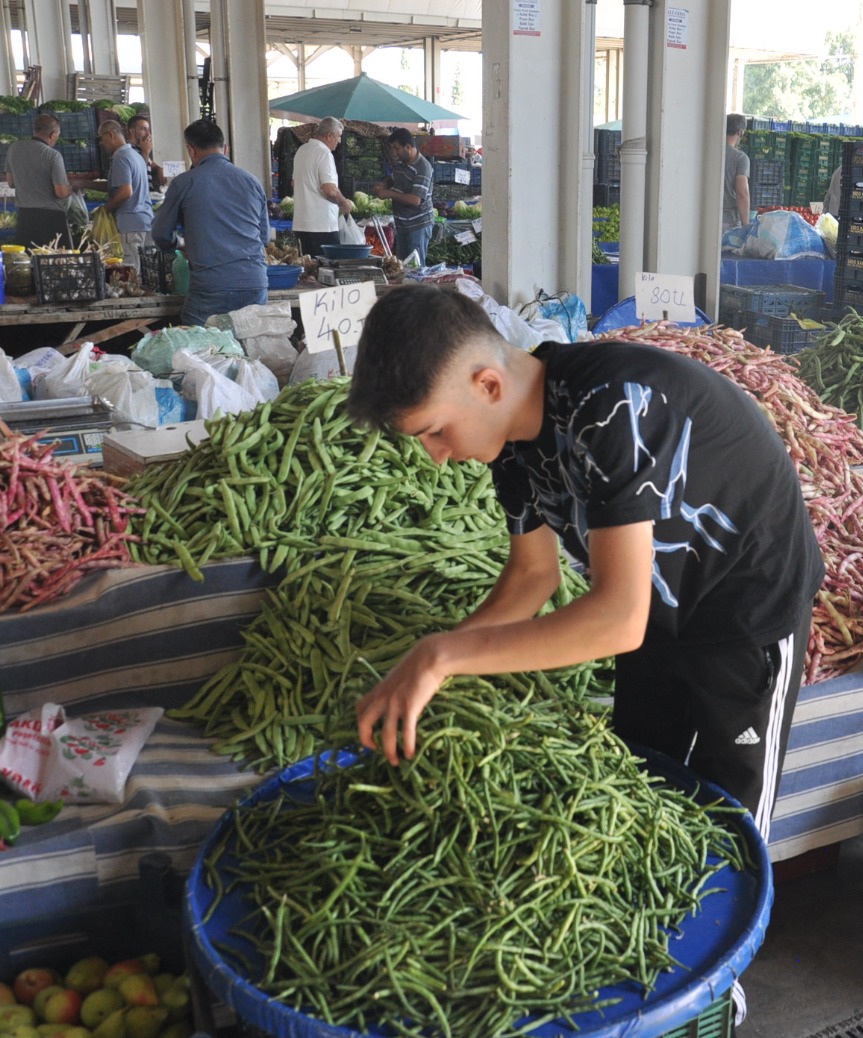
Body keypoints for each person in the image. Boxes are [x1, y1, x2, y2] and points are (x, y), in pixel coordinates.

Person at [347, 282, 824, 845]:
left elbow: (618, 617)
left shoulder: (611, 408)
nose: (437, 454)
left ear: (489, 385)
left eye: (435, 431)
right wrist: (433, 667)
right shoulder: (514, 444)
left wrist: (443, 654)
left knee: (730, 822)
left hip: (745, 611)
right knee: (640, 784)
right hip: (656, 612)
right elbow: (533, 576)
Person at [150, 118, 270, 326]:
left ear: (191, 150)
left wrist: (180, 243)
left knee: (201, 350)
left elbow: (160, 234)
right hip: (254, 283)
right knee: (252, 349)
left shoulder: (184, 183)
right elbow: (264, 237)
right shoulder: (252, 181)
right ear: (225, 148)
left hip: (211, 285)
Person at [4, 113, 72, 248]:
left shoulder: (14, 148)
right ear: (52, 134)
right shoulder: (53, 155)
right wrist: (73, 187)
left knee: (29, 262)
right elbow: (61, 193)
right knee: (57, 262)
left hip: (25, 217)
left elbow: (11, 183)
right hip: (51, 219)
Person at [94, 120, 152, 272]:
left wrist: (106, 209)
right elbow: (116, 185)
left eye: (101, 138)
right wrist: (84, 184)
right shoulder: (135, 155)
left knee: (132, 274)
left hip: (130, 224)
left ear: (111, 135)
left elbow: (126, 192)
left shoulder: (121, 157)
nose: (101, 143)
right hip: (144, 221)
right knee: (145, 273)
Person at [292, 116, 355, 258]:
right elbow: (330, 190)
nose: (339, 141)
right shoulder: (324, 153)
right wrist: (344, 203)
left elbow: (294, 183)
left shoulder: (302, 150)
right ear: (329, 135)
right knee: (326, 271)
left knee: (309, 272)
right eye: (338, 137)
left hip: (301, 224)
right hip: (322, 226)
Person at [372, 128, 434, 265]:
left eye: (397, 148)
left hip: (418, 225)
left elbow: (415, 200)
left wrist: (388, 194)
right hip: (402, 224)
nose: (394, 153)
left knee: (416, 268)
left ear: (408, 147)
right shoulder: (401, 162)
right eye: (392, 149)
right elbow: (394, 178)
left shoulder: (423, 167)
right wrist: (384, 184)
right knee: (401, 267)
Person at [127, 113, 167, 192]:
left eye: (148, 129)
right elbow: (138, 171)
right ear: (132, 131)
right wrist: (145, 152)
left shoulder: (140, 148)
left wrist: (159, 169)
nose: (148, 134)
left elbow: (151, 164)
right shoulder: (128, 150)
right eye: (143, 129)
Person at [723, 113, 750, 230]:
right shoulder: (740, 158)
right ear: (740, 132)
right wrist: (745, 225)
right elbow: (742, 193)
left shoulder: (708, 151)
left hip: (704, 216)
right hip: (728, 222)